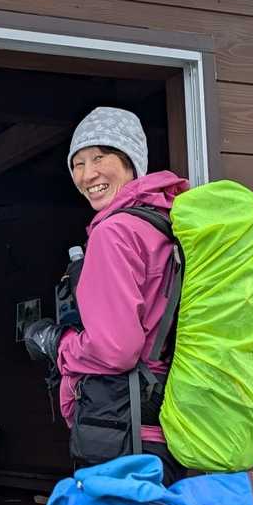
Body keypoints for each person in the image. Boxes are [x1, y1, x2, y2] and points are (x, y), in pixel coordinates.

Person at [23, 106, 190, 482]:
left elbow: (116, 349)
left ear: (131, 161)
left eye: (100, 157)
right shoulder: (164, 224)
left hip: (122, 428)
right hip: (163, 424)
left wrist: (58, 343)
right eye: (78, 164)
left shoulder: (113, 232)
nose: (87, 175)